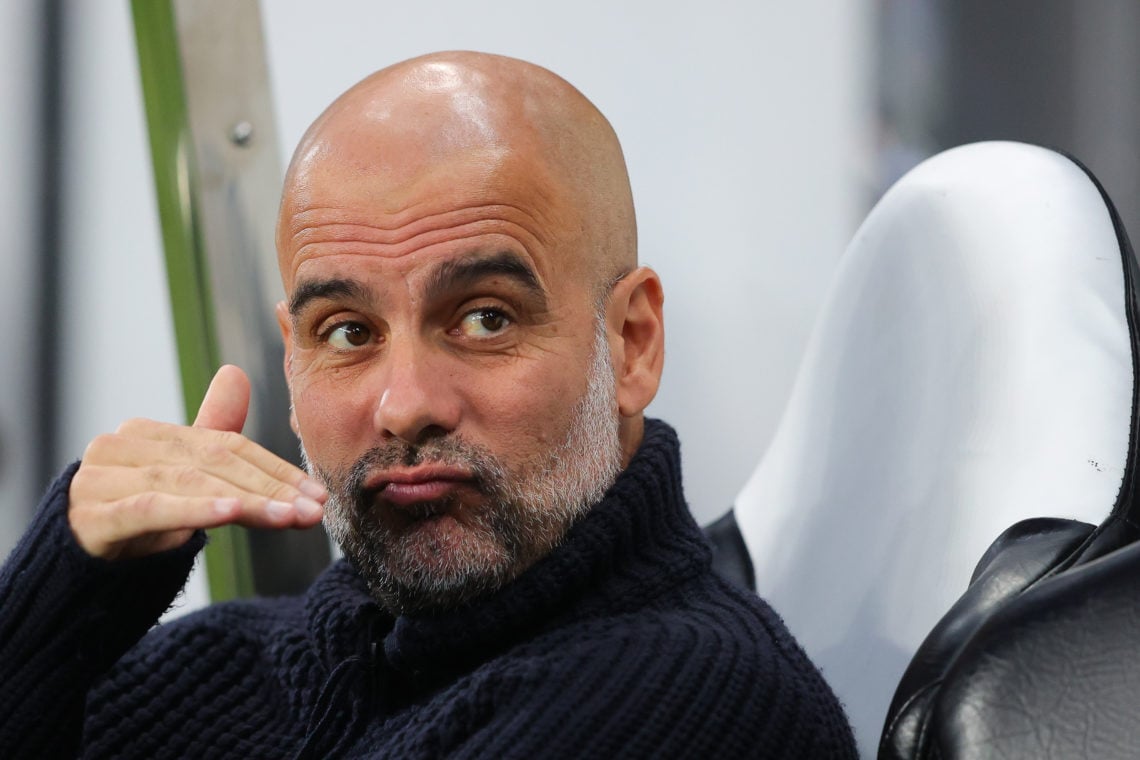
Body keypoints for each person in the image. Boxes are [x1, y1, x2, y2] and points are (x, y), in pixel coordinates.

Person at [0, 51, 856, 758]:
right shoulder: (262, 656)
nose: (405, 406)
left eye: (485, 318)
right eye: (345, 332)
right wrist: (66, 591)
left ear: (631, 343)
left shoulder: (693, 701)